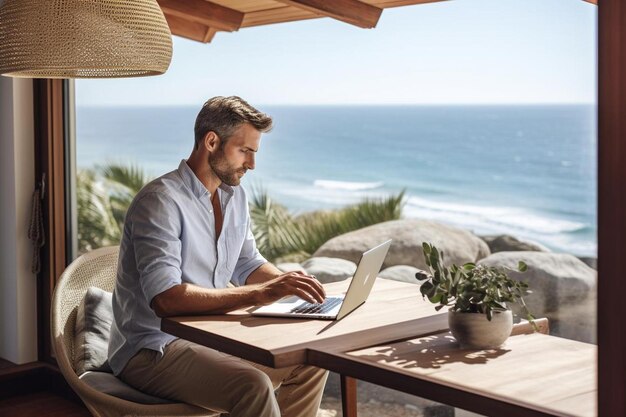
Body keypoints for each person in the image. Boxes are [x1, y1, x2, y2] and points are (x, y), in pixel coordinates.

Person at [108, 96, 329, 417]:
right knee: (251, 385)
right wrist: (265, 293)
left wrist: (293, 285)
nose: (252, 164)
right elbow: (166, 300)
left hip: (211, 338)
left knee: (308, 363)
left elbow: (247, 264)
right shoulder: (160, 202)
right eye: (245, 151)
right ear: (211, 141)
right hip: (151, 348)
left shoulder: (234, 195)